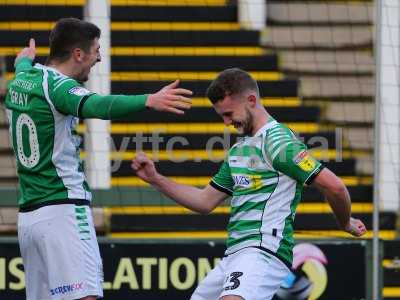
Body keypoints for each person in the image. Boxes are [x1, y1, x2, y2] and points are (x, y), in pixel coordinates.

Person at [131, 68, 367, 300]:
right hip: (234, 254)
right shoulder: (238, 151)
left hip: (264, 250)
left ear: (252, 100)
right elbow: (204, 201)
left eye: (229, 114)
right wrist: (156, 179)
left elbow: (334, 186)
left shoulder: (278, 143)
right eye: (222, 116)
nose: (226, 122)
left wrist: (344, 222)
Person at [6, 18, 192, 300]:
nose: (99, 57)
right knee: (85, 296)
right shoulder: (58, 88)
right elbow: (97, 105)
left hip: (29, 219)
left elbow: (23, 66)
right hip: (63, 210)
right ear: (78, 54)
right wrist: (148, 100)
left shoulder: (21, 78)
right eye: (96, 50)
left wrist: (23, 61)